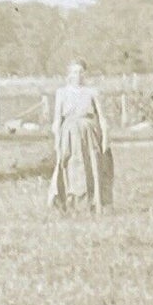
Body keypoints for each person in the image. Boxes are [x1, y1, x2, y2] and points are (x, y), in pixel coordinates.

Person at [49, 59, 112, 212]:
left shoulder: (92, 92)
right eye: (74, 72)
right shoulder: (62, 93)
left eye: (80, 72)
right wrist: (57, 141)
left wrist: (105, 139)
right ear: (69, 74)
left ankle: (93, 203)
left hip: (89, 134)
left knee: (92, 166)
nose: (77, 75)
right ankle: (70, 204)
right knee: (70, 166)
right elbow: (57, 120)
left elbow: (102, 118)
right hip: (69, 134)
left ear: (85, 74)